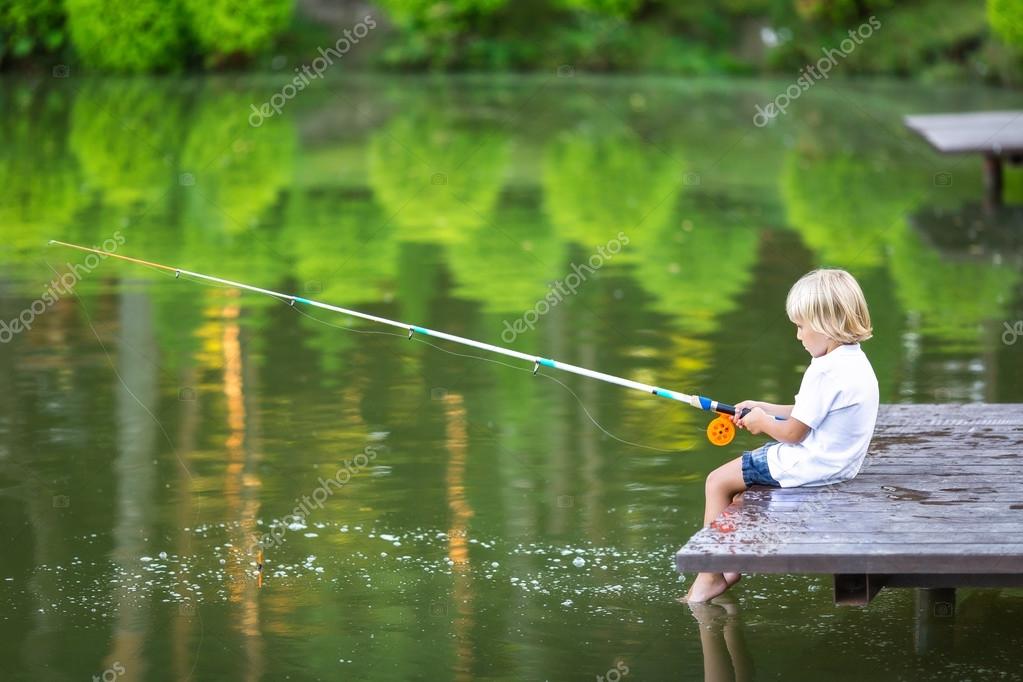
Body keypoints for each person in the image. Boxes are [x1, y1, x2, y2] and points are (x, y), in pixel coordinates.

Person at [683, 268, 879, 603]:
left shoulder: (823, 371)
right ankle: (729, 561)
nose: (799, 335)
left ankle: (709, 576)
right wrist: (762, 407)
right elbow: (807, 412)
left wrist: (762, 423)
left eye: (801, 326)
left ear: (825, 324)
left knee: (717, 482)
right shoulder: (854, 362)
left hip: (808, 467)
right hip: (840, 466)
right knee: (736, 498)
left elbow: (792, 433)